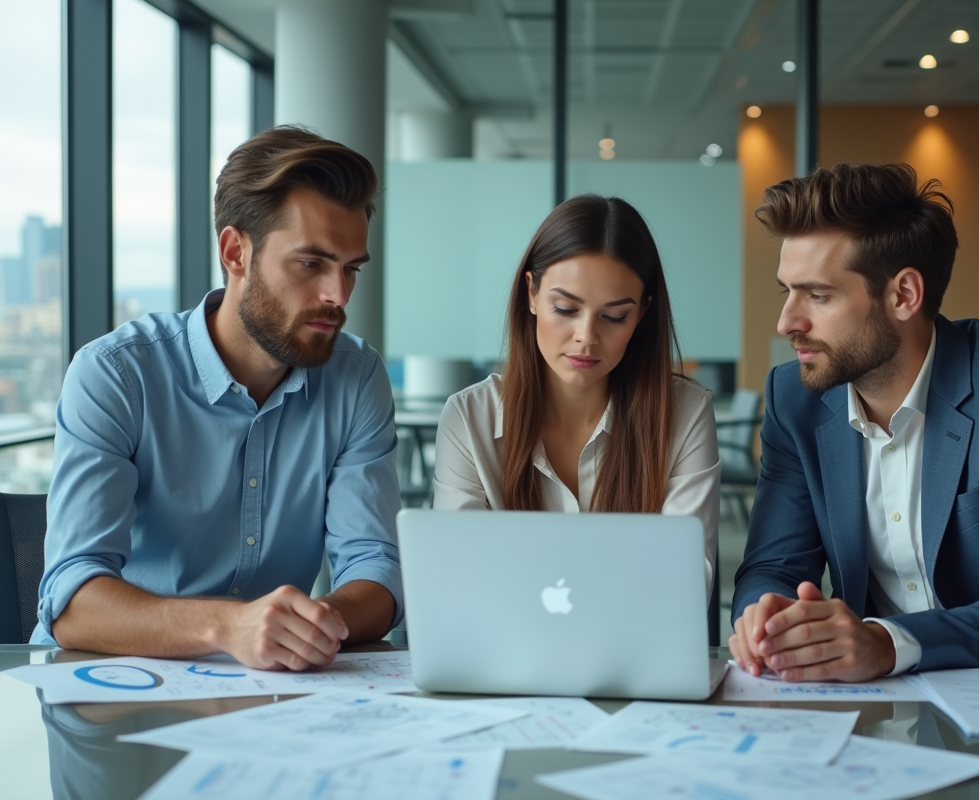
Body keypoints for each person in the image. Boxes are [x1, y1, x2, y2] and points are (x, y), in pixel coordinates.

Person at [34, 126, 403, 671]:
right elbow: (72, 601)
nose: (338, 295)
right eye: (311, 264)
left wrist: (306, 628)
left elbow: (376, 568)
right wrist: (230, 627)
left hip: (274, 689)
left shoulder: (356, 377)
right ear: (236, 251)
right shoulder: (116, 373)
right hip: (112, 684)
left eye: (350, 268)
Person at [729, 163, 979, 682]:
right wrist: (766, 618)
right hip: (867, 707)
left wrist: (887, 642)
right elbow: (774, 567)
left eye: (818, 295)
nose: (787, 321)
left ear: (903, 295)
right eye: (786, 292)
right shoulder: (795, 399)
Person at [433, 194, 721, 597]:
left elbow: (685, 581)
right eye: (566, 309)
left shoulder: (685, 413)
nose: (587, 336)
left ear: (641, 313)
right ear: (531, 294)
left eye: (614, 316)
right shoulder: (468, 418)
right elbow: (457, 580)